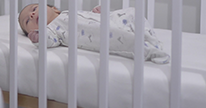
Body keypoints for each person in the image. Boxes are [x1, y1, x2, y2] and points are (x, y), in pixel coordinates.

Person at [18, 4, 170, 64]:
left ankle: (152, 40)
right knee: (123, 38)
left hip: (110, 21)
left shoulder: (66, 12)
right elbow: (49, 40)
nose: (31, 15)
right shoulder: (52, 30)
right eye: (27, 21)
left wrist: (98, 13)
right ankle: (150, 50)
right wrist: (39, 37)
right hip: (102, 34)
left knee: (133, 12)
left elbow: (87, 18)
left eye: (34, 9)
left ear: (54, 9)